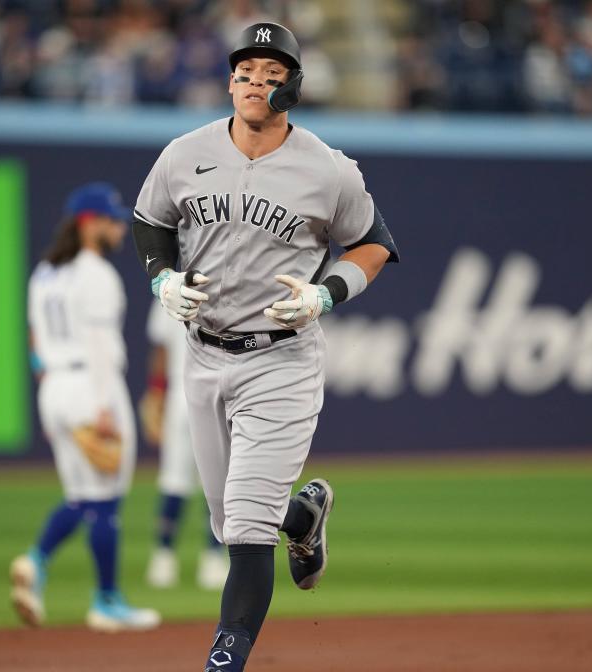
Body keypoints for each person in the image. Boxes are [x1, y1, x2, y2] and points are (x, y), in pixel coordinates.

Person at [131, 22, 398, 672]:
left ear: (292, 90)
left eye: (271, 74)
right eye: (245, 72)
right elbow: (150, 222)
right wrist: (161, 277)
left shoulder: (328, 169)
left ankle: (225, 661)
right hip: (202, 353)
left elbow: (375, 242)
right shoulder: (183, 153)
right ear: (229, 82)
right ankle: (302, 517)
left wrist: (327, 293)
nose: (255, 82)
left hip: (281, 358)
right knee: (229, 520)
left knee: (246, 533)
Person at [10, 182, 161, 633]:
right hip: (91, 387)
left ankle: (35, 561)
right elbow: (99, 346)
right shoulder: (96, 273)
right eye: (112, 220)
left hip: (54, 386)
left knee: (81, 497)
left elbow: (35, 339)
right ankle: (107, 601)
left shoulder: (45, 273)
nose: (119, 227)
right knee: (106, 502)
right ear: (89, 223)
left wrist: (53, 384)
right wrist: (101, 407)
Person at [140, 299, 230, 591]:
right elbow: (163, 348)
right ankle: (210, 558)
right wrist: (156, 394)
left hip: (183, 395)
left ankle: (165, 557)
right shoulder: (221, 284)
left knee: (177, 479)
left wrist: (155, 392)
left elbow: (160, 350)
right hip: (209, 392)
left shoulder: (170, 289)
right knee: (213, 478)